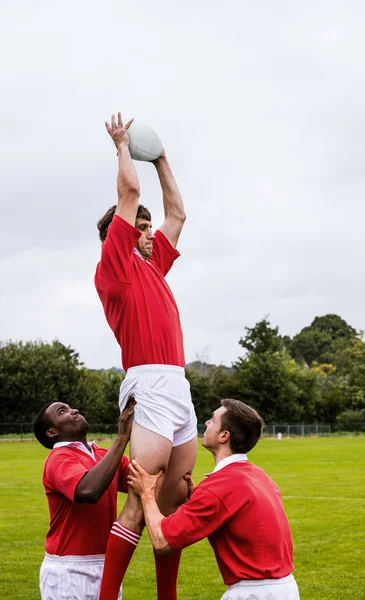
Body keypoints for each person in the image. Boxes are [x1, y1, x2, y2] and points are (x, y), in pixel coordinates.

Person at [94, 113, 197, 600]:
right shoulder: (114, 268)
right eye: (139, 226)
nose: (150, 229)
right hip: (150, 383)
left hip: (177, 382)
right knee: (140, 500)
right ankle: (106, 596)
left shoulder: (154, 263)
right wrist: (122, 146)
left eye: (147, 225)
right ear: (116, 234)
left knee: (173, 502)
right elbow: (129, 196)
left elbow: (178, 215)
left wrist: (161, 159)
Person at [128, 399, 300, 600]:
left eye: (212, 420)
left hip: (253, 594)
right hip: (284, 589)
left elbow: (162, 541)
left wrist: (146, 492)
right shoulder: (259, 476)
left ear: (224, 436)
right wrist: (201, 497)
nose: (207, 423)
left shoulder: (219, 488)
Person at [33, 398, 135, 600]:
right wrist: (122, 437)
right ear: (52, 432)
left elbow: (142, 480)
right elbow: (88, 491)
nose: (74, 410)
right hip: (69, 570)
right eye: (63, 411)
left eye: (71, 407)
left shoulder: (103, 455)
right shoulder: (58, 458)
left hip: (106, 566)